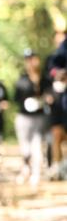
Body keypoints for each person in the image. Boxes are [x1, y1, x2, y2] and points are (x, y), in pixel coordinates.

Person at [14, 49, 51, 185]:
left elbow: (51, 94)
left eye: (33, 59)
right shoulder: (22, 79)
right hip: (24, 118)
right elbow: (17, 99)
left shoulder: (45, 79)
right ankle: (26, 168)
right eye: (28, 59)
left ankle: (36, 174)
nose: (31, 62)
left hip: (40, 118)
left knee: (37, 146)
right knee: (26, 148)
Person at [44, 29, 67, 179]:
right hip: (56, 106)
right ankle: (57, 167)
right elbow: (46, 77)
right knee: (56, 134)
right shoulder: (51, 59)